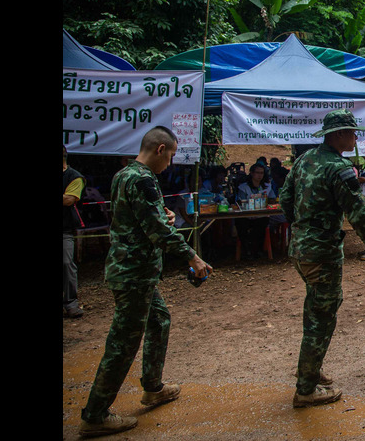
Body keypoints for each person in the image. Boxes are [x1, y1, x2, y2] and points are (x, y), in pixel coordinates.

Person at [79, 126, 212, 438]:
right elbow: (157, 231)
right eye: (172, 156)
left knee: (159, 320)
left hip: (134, 270)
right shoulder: (141, 178)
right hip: (133, 274)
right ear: (161, 149)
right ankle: (95, 414)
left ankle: (153, 387)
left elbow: (137, 216)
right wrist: (192, 256)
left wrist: (161, 213)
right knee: (123, 343)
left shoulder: (124, 175)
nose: (170, 164)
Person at [279, 109, 365, 408]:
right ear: (339, 135)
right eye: (353, 132)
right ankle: (306, 389)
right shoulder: (339, 169)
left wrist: (302, 227)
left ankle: (311, 369)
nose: (356, 137)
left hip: (300, 249)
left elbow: (285, 197)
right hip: (322, 254)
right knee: (322, 316)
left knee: (314, 308)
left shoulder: (305, 159)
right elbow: (360, 216)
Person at [63, 145, 86, 319]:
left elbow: (69, 199)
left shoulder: (75, 177)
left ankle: (70, 303)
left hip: (65, 229)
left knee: (66, 263)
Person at [235, 162, 272, 259]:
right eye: (257, 173)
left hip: (260, 216)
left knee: (263, 223)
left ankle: (258, 250)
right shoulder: (243, 187)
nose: (260, 175)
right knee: (240, 224)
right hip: (246, 216)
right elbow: (240, 202)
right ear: (252, 173)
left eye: (262, 173)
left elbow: (272, 199)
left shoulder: (266, 186)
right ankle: (246, 249)